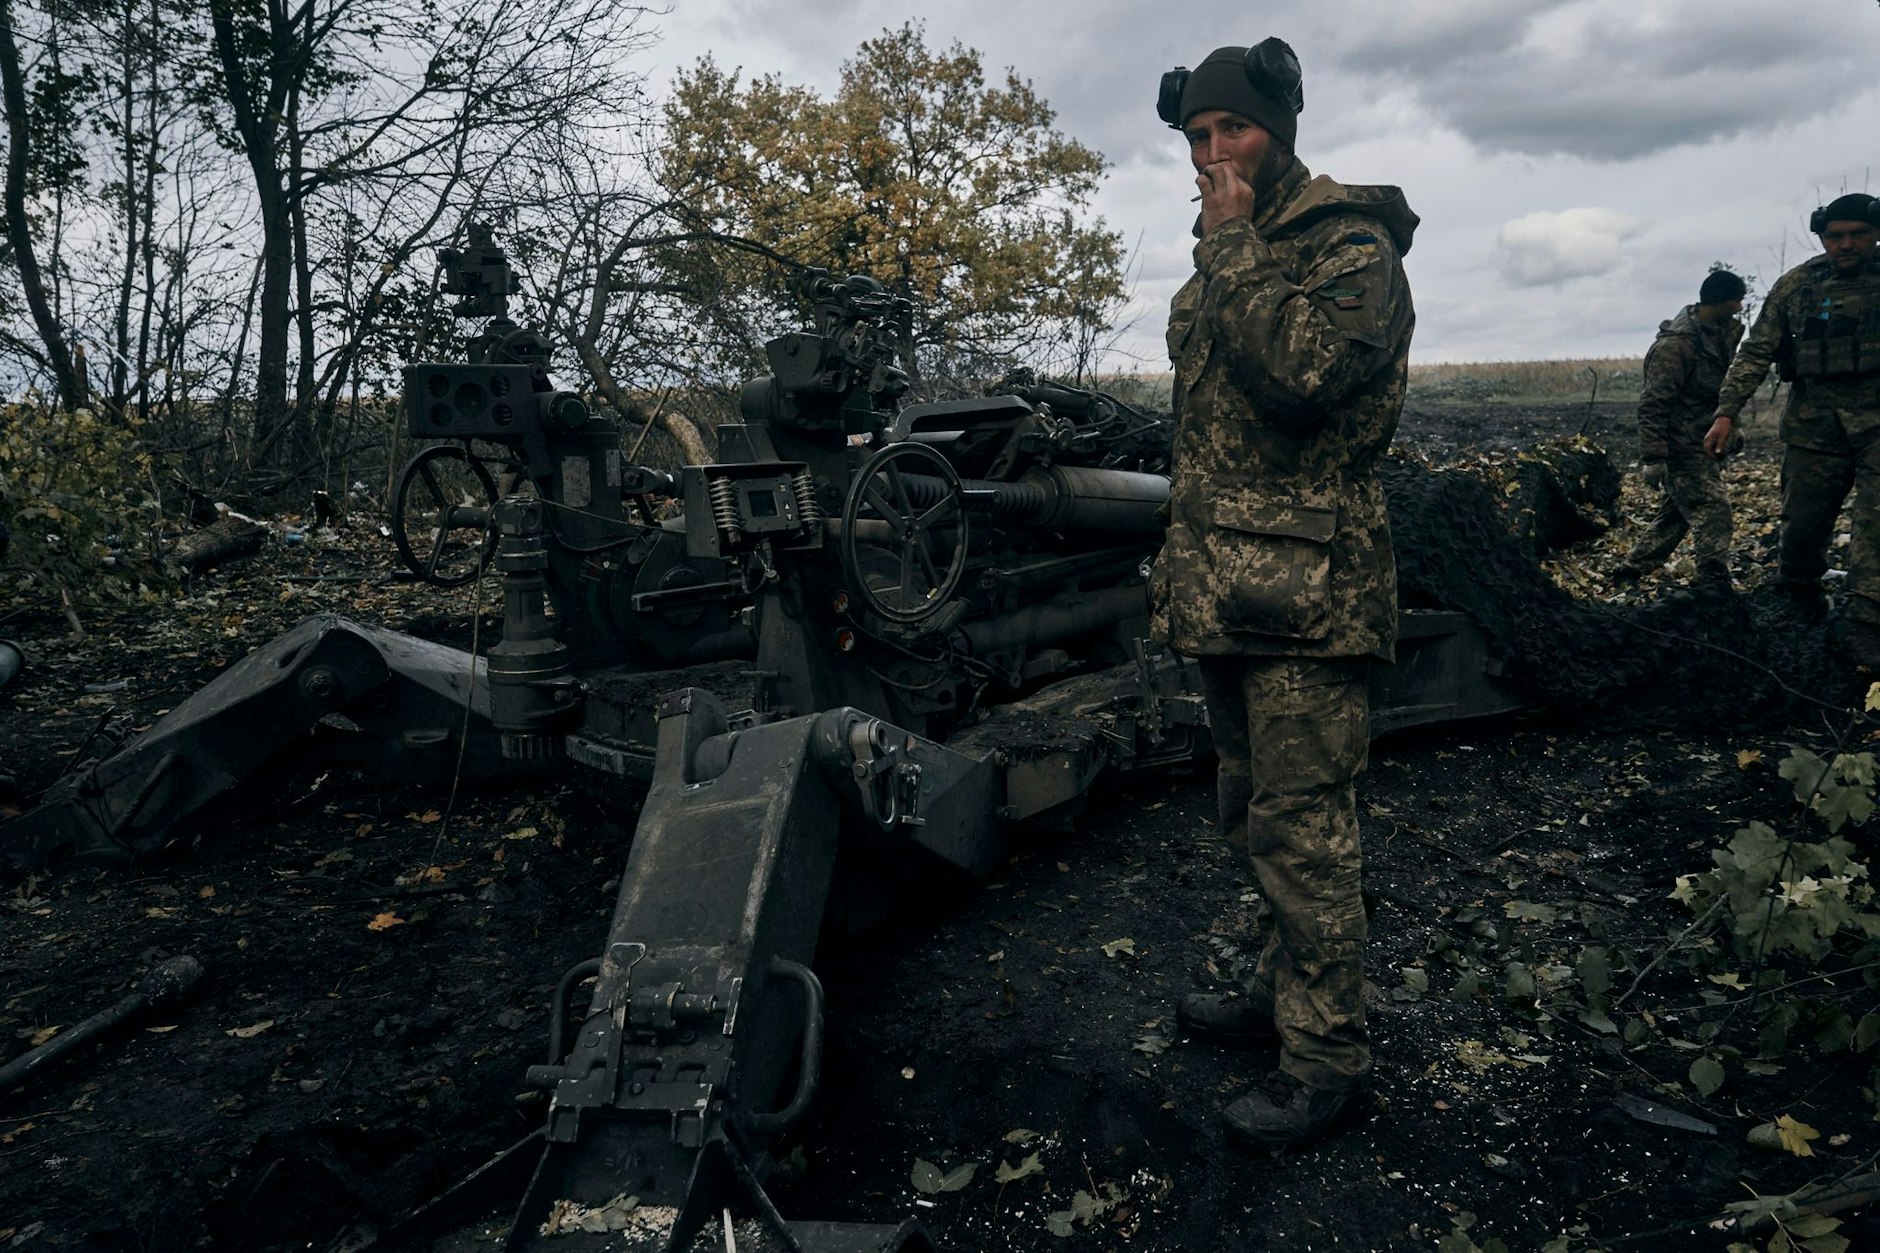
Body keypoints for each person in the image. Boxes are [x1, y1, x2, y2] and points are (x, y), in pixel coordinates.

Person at [1147, 38, 1416, 1149]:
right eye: (1198, 138)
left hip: (1309, 592)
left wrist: (1231, 248)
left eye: (1233, 131)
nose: (1213, 155)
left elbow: (1303, 377)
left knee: (1306, 831)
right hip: (1231, 589)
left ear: (1279, 129)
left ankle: (1324, 1057)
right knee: (1255, 813)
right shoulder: (1235, 249)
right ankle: (1276, 994)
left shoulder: (1347, 247)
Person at [1712, 193, 1880, 661]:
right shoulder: (1798, 286)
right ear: (1824, 238)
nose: (1846, 245)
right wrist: (1727, 412)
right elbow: (1755, 352)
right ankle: (1801, 596)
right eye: (1835, 236)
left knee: (1875, 525)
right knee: (1802, 529)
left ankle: (1867, 620)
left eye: (1858, 235)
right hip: (1814, 430)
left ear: (1876, 234)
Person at [1612, 269, 1747, 591]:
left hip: (1702, 441)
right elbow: (1652, 405)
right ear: (1718, 302)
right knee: (1714, 510)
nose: (1740, 308)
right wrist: (1654, 457)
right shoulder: (1676, 347)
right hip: (1680, 446)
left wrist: (1732, 426)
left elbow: (1721, 389)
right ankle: (1713, 584)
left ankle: (1631, 570)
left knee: (1675, 515)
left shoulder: (1720, 332)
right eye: (1735, 301)